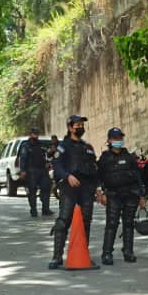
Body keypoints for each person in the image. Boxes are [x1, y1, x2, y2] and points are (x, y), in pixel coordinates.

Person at [48, 115, 99, 269]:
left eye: (82, 125)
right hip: (69, 187)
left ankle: (83, 252)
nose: (80, 127)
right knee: (64, 219)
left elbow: (94, 169)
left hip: (86, 188)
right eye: (77, 125)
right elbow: (56, 165)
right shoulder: (63, 146)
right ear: (70, 127)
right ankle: (57, 257)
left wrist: (98, 188)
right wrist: (67, 176)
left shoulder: (86, 147)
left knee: (86, 221)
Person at [96, 127, 145, 265]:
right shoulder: (105, 158)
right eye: (115, 138)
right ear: (109, 140)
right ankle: (107, 253)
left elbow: (138, 177)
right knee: (112, 223)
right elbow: (98, 177)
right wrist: (100, 192)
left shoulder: (129, 157)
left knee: (128, 223)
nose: (118, 141)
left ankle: (128, 251)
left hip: (130, 194)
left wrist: (141, 196)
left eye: (120, 138)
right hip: (113, 195)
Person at [17, 128, 53, 217]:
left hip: (42, 170)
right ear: (30, 134)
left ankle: (46, 209)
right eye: (34, 134)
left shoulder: (40, 144)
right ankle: (33, 210)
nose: (36, 135)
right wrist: (22, 171)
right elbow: (23, 158)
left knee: (46, 188)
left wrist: (49, 157)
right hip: (31, 171)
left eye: (37, 134)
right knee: (32, 191)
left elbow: (47, 155)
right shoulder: (26, 145)